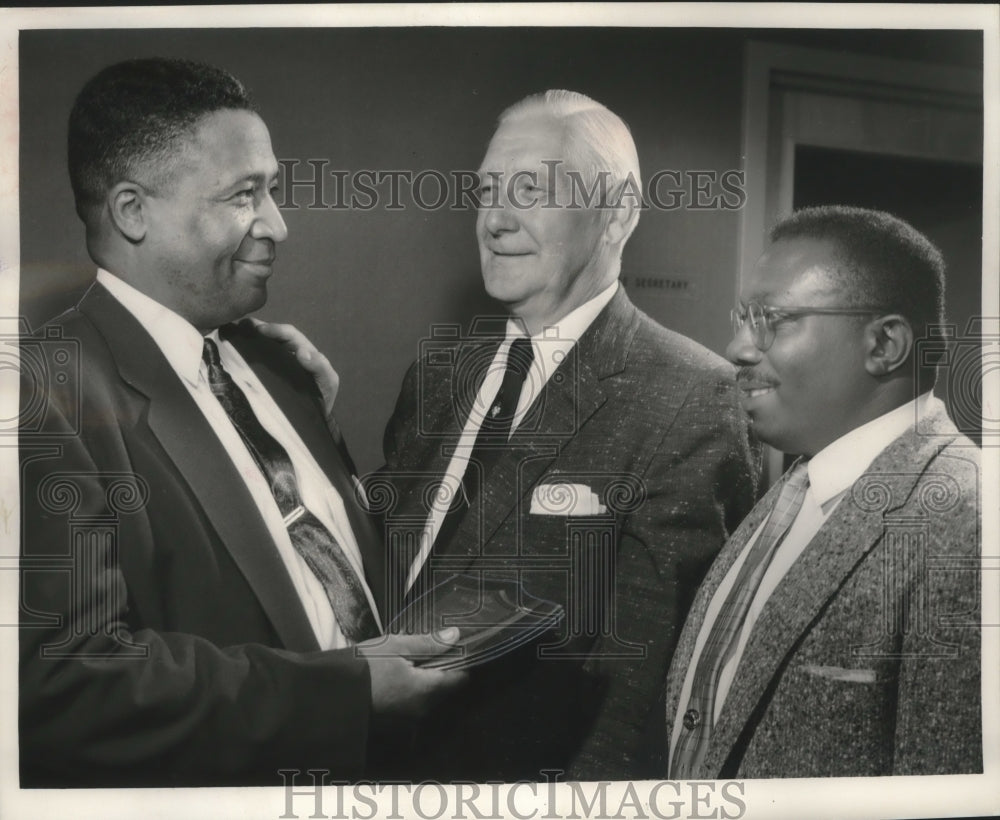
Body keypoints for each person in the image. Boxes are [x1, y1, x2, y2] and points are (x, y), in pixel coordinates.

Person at [18, 57, 463, 788]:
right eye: (243, 196)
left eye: (274, 191)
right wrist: (347, 695)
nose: (278, 226)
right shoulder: (43, 398)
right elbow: (68, 684)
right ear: (133, 213)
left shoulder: (281, 365)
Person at [376, 90, 757, 780]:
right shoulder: (436, 375)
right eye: (487, 190)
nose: (495, 219)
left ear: (617, 215)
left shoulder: (690, 396)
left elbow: (642, 689)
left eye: (531, 190)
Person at [664, 205, 982, 778]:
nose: (737, 347)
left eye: (774, 320)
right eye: (742, 317)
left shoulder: (966, 524)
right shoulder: (795, 486)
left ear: (884, 344)